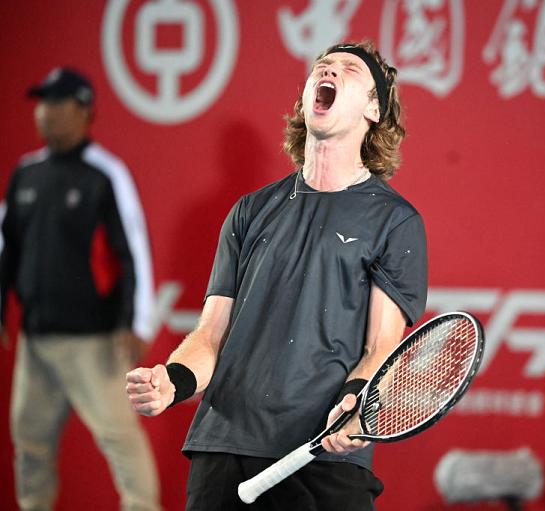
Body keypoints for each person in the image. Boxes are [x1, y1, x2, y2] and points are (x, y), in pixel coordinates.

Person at [126, 40, 428, 510]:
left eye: (350, 69)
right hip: (224, 447)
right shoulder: (250, 211)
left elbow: (380, 348)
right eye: (322, 67)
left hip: (322, 460)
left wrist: (356, 406)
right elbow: (210, 335)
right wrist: (173, 380)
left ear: (374, 108)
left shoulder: (394, 221)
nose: (329, 71)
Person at [0, 67, 161, 511]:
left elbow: (134, 250)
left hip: (92, 342)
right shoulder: (26, 174)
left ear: (84, 109)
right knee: (29, 445)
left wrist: (137, 321)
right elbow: (6, 247)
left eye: (56, 103)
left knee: (120, 441)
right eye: (41, 103)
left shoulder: (104, 174)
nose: (44, 113)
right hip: (37, 342)